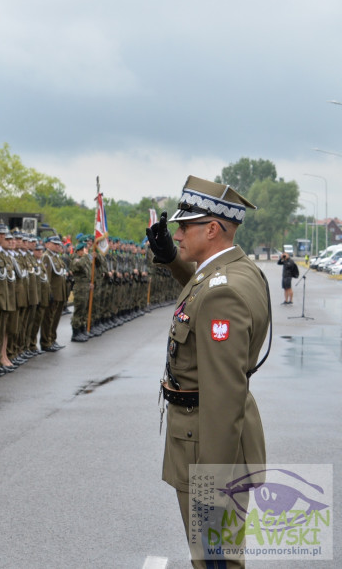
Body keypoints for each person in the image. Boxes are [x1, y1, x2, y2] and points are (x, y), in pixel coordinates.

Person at [146, 175, 270, 569]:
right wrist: (170, 259)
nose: (178, 234)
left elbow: (223, 393)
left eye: (185, 227)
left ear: (212, 229)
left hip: (207, 445)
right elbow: (202, 295)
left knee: (214, 560)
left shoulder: (222, 291)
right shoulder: (235, 271)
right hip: (205, 438)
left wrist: (214, 481)